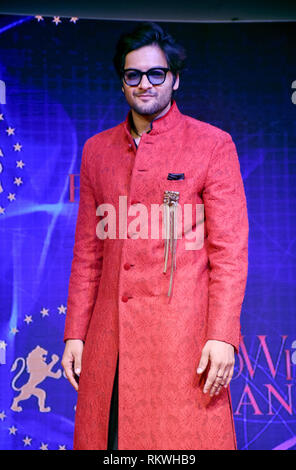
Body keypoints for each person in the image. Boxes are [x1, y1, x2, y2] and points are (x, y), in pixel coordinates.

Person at [61, 21, 249, 450]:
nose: (145, 84)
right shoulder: (97, 150)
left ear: (175, 79)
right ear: (122, 83)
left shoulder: (212, 145)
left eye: (156, 74)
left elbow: (230, 252)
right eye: (133, 75)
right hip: (111, 341)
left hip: (182, 341)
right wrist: (75, 333)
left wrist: (222, 337)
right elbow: (88, 253)